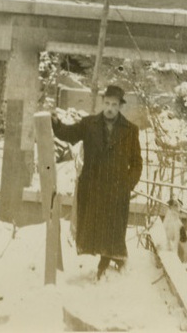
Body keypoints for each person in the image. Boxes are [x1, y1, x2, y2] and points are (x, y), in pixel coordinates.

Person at [51, 83, 143, 279]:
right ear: (103, 102)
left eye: (115, 105)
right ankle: (109, 258)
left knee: (114, 227)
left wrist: (128, 184)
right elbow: (68, 134)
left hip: (117, 188)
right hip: (93, 186)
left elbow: (137, 162)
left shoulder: (131, 130)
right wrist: (55, 124)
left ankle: (112, 259)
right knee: (96, 226)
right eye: (107, 103)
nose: (110, 108)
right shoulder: (89, 124)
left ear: (120, 106)